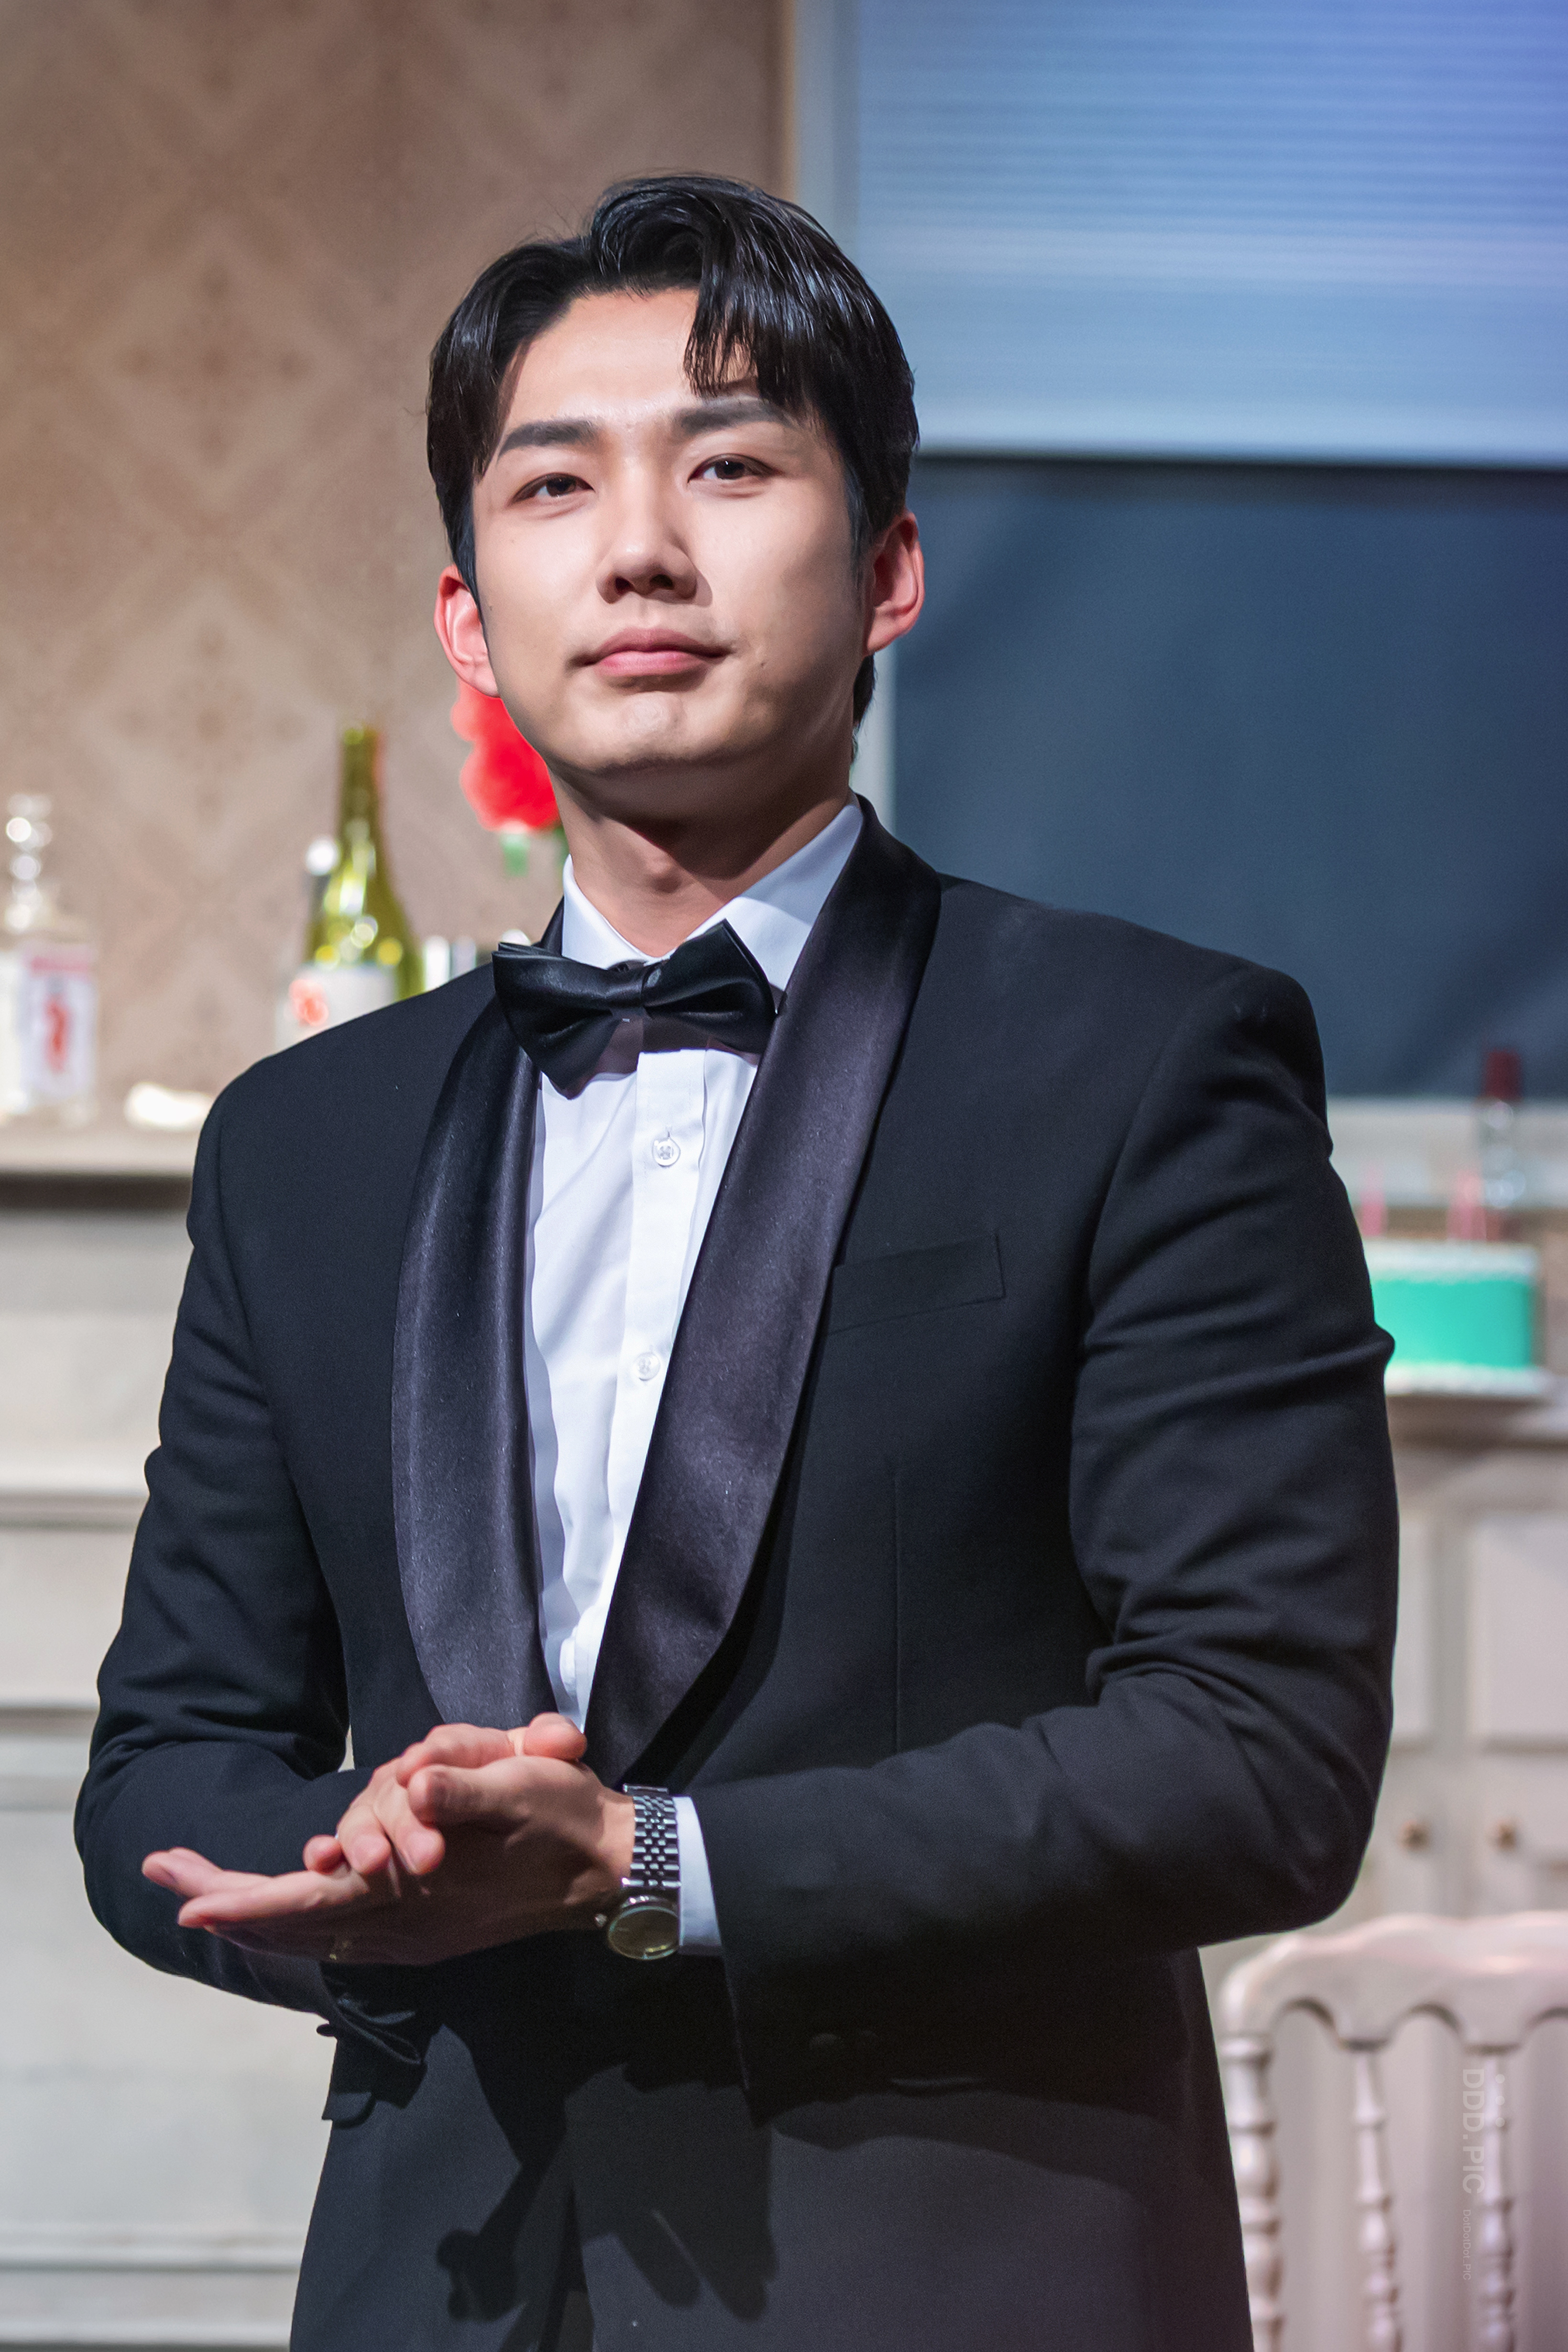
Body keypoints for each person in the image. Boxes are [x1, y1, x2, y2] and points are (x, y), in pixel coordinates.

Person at [76, 176, 1398, 2352]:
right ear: (467, 619)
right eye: (554, 485)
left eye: (729, 468)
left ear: (886, 572)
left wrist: (652, 1866)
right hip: (443, 2277)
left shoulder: (1148, 1056)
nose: (638, 550)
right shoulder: (301, 1141)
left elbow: (1256, 1752)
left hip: (955, 2275)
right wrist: (363, 1862)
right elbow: (168, 1759)